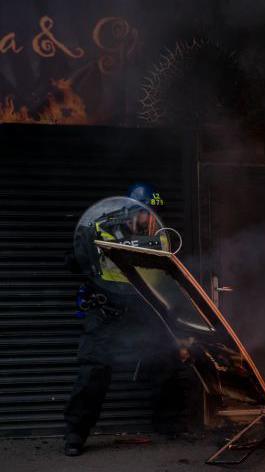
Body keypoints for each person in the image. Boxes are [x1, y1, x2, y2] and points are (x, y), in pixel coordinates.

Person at [63, 186, 187, 456]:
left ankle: (167, 423)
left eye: (156, 214)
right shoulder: (103, 230)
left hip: (146, 309)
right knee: (93, 369)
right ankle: (75, 433)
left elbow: (165, 279)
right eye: (147, 214)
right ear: (132, 211)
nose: (152, 219)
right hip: (108, 309)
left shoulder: (161, 238)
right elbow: (75, 263)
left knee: (167, 359)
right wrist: (82, 249)